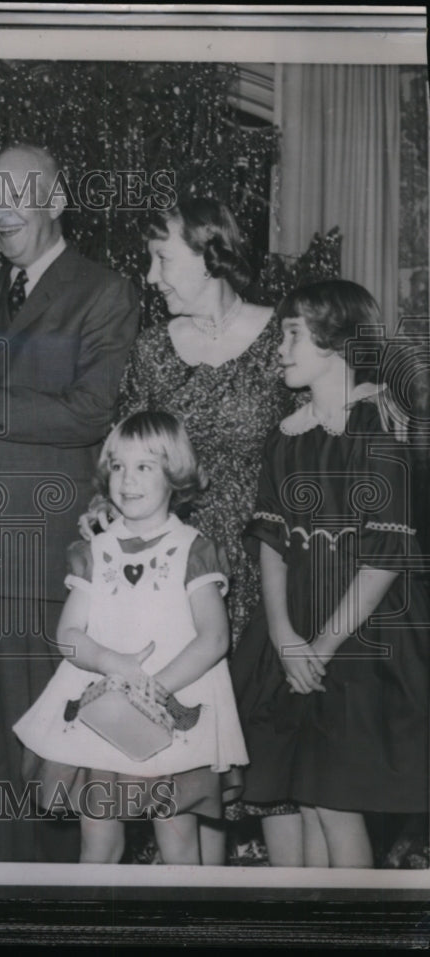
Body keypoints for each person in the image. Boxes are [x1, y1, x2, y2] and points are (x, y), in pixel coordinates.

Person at [0, 143, 140, 862]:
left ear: (57, 197)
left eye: (16, 191)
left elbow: (89, 411)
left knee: (46, 743)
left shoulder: (103, 291)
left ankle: (48, 902)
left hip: (39, 555)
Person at [113, 197, 298, 863]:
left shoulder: (286, 339)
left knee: (272, 764)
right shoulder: (154, 352)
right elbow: (123, 456)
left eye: (163, 259)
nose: (153, 276)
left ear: (212, 254)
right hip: (183, 581)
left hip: (271, 571)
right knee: (196, 762)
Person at [232, 279, 429, 868]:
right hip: (293, 634)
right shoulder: (286, 438)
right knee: (307, 802)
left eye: (293, 335)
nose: (281, 349)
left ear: (339, 341)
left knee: (338, 804)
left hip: (360, 643)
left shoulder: (380, 431)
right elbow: (270, 542)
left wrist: (320, 645)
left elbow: (384, 557)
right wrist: (285, 635)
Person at [14, 411, 248, 863]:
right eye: (118, 466)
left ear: (174, 474)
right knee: (98, 838)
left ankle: (184, 932)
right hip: (103, 711)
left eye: (144, 466)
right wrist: (111, 662)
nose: (127, 479)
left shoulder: (193, 549)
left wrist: (155, 689)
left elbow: (214, 638)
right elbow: (68, 635)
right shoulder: (93, 551)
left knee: (177, 838)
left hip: (171, 708)